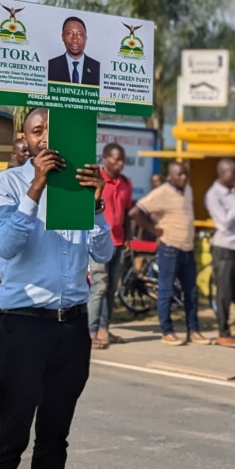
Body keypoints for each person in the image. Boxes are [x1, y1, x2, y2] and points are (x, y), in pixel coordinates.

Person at [0, 108, 112, 469]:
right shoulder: (7, 183)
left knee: (54, 440)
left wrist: (97, 205)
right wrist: (36, 186)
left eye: (53, 132)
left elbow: (103, 254)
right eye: (37, 131)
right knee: (9, 441)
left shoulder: (78, 186)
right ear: (26, 141)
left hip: (70, 328)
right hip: (24, 328)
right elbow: (6, 245)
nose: (46, 138)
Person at [128, 162, 208, 346]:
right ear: (170, 176)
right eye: (179, 174)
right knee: (166, 291)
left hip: (187, 249)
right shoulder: (162, 192)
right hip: (169, 248)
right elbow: (135, 212)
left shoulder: (187, 189)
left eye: (185, 174)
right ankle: (167, 331)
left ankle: (193, 330)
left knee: (191, 292)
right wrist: (153, 230)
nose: (183, 178)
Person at [86, 143, 133, 349]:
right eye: (115, 159)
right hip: (99, 242)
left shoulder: (125, 184)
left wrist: (128, 238)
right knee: (99, 286)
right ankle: (90, 332)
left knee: (112, 288)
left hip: (119, 243)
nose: (120, 163)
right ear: (105, 158)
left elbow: (127, 214)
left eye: (122, 159)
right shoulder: (96, 181)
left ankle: (105, 329)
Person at [205, 158, 235, 348]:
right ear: (222, 173)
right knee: (224, 293)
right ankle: (223, 333)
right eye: (233, 173)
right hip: (224, 249)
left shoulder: (234, 192)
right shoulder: (214, 195)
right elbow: (224, 223)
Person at [0, 139, 32, 330]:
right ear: (14, 153)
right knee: (0, 274)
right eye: (23, 151)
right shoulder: (6, 178)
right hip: (9, 233)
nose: (27, 154)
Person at [47, 17, 100, 86]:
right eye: (70, 33)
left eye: (80, 34)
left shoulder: (98, 68)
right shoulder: (51, 66)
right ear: (63, 37)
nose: (75, 39)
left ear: (86, 38)